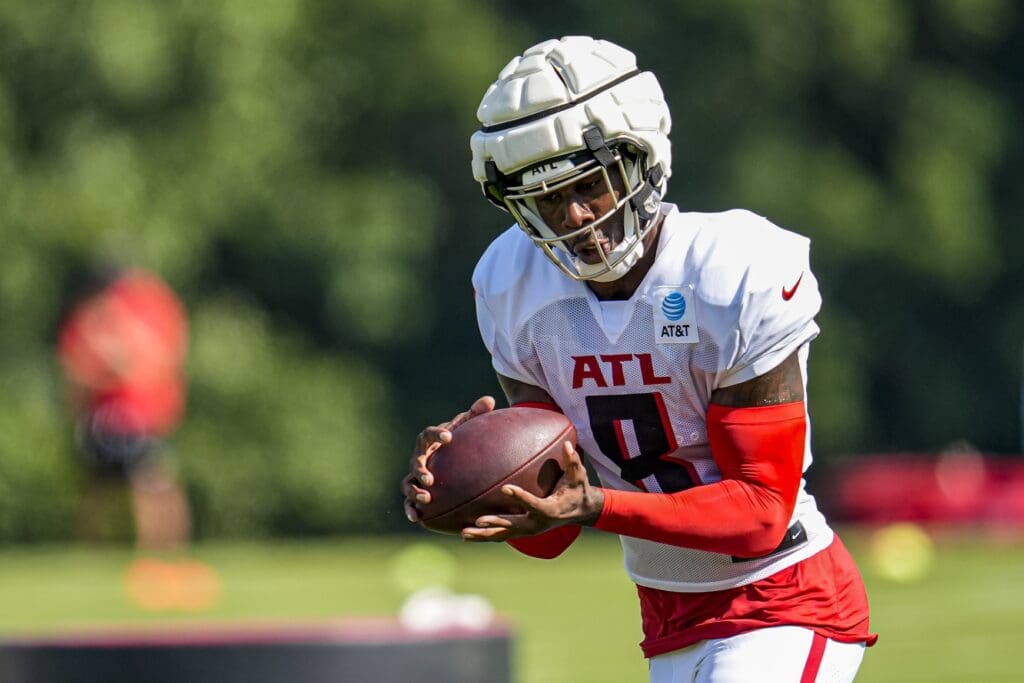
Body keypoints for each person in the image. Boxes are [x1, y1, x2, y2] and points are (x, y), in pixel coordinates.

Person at [402, 36, 876, 682]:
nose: (573, 215)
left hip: (781, 597)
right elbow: (552, 530)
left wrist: (598, 505)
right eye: (546, 199)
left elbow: (762, 512)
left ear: (641, 156)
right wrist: (468, 483)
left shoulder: (730, 273)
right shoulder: (512, 285)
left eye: (590, 184)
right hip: (666, 619)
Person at [57, 265, 191, 554]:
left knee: (151, 481)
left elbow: (142, 364)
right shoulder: (94, 320)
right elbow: (81, 370)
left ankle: (159, 550)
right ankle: (94, 551)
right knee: (100, 488)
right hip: (107, 417)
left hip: (138, 414)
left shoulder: (138, 315)